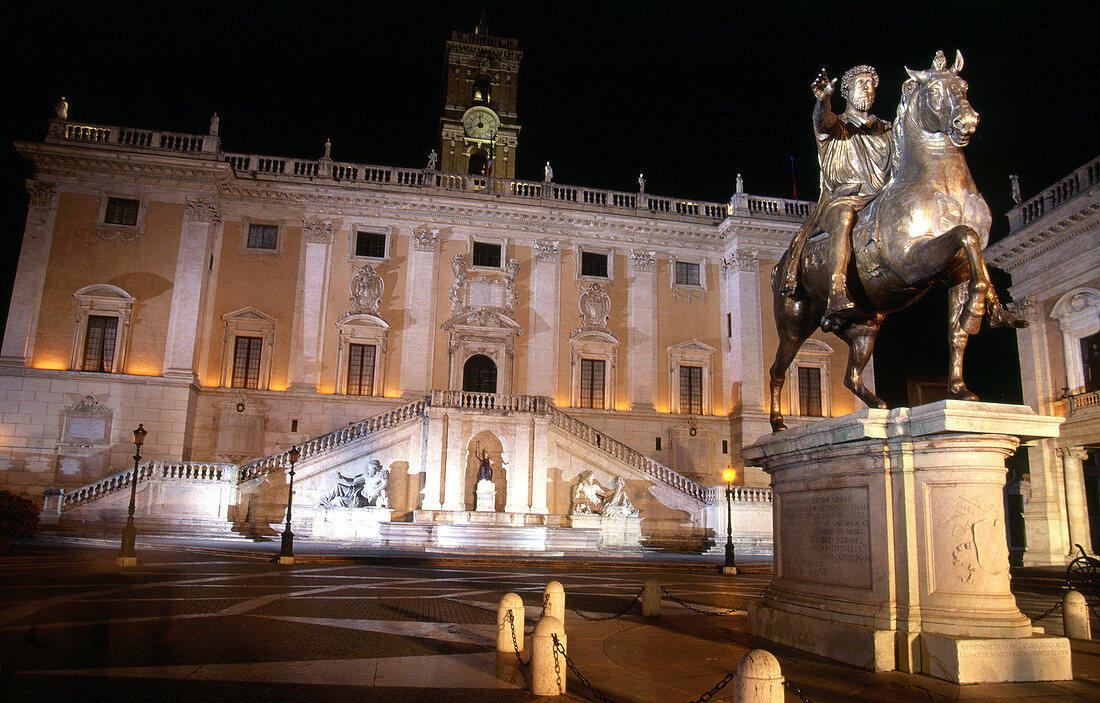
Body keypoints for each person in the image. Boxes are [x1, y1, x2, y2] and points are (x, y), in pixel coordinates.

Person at [778, 65, 892, 331]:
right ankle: (837, 290)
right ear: (847, 91)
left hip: (880, 199)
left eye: (871, 84)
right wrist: (823, 100)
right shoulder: (836, 126)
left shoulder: (885, 129)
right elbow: (822, 120)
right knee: (843, 217)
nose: (868, 88)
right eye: (861, 83)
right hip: (845, 198)